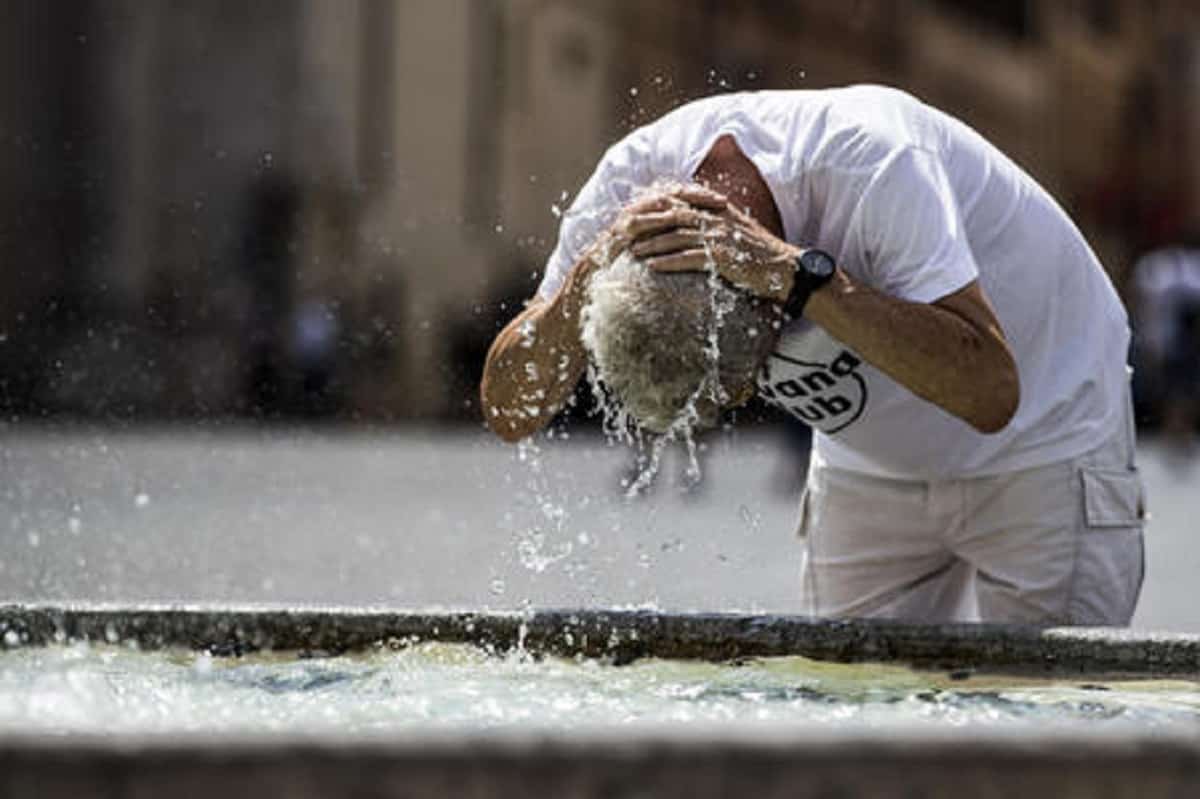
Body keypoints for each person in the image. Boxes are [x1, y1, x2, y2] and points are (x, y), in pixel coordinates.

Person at [480, 85, 1145, 626]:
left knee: (1056, 720)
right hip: (870, 461)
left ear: (772, 312)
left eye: (739, 386)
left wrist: (800, 275)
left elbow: (992, 393)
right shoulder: (626, 190)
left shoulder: (872, 160)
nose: (745, 402)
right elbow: (510, 411)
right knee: (850, 720)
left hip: (1046, 430)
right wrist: (580, 284)